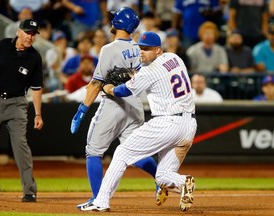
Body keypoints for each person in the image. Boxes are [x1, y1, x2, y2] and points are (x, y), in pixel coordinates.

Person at [80, 31, 197, 212]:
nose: (142, 52)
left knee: (121, 153)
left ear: (158, 50)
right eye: (140, 48)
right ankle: (184, 181)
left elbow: (123, 92)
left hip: (166, 123)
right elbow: (156, 74)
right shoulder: (175, 58)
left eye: (147, 49)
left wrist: (109, 88)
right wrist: (135, 73)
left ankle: (101, 201)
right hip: (189, 126)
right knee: (163, 176)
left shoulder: (148, 72)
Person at [70, 7, 163, 208]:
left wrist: (82, 110)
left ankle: (98, 199)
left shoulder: (109, 49)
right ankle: (160, 179)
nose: (111, 21)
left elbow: (96, 84)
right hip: (135, 104)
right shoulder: (141, 48)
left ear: (120, 23)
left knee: (93, 151)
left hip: (114, 104)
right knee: (135, 153)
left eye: (114, 18)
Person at [0, 19, 44, 202]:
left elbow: (36, 88)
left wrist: (38, 114)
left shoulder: (34, 57)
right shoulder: (1, 46)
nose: (30, 37)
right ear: (19, 32)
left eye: (33, 34)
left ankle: (29, 190)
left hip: (17, 103)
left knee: (20, 145)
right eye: (27, 32)